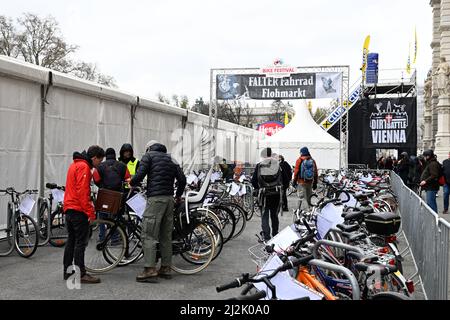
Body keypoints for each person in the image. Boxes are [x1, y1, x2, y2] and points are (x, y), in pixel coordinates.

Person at [129, 140, 186, 282]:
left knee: (148, 234)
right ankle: (166, 268)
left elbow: (140, 175)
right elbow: (182, 180)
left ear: (149, 148)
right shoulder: (171, 158)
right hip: (169, 200)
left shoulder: (148, 156)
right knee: (165, 235)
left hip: (155, 199)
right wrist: (177, 196)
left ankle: (149, 269)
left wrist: (131, 182)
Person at [63, 145, 105, 284]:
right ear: (94, 158)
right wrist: (91, 212)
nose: (99, 164)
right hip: (78, 209)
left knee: (71, 241)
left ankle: (68, 272)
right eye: (100, 160)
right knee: (80, 243)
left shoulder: (74, 165)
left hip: (69, 208)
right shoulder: (84, 167)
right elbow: (83, 192)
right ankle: (81, 274)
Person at [93, 148, 131, 242]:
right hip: (117, 195)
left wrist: (102, 186)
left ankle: (102, 237)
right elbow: (127, 178)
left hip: (104, 195)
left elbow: (96, 178)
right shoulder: (122, 165)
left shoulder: (100, 166)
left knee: (102, 215)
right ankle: (115, 238)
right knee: (116, 215)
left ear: (106, 155)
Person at [251, 148, 288, 241]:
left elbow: (253, 180)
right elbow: (286, 180)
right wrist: (282, 190)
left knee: (264, 215)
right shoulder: (278, 165)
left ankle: (266, 236)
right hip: (276, 194)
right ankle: (275, 234)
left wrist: (258, 188)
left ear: (263, 156)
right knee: (274, 216)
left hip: (264, 194)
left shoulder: (259, 166)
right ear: (271, 154)